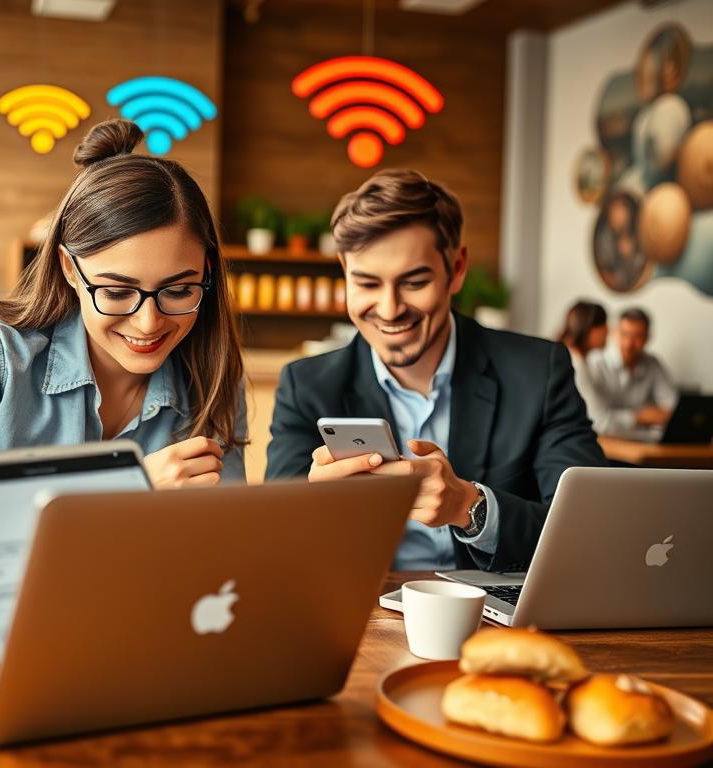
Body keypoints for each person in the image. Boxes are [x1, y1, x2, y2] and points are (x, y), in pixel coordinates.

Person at [0, 119, 247, 672]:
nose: (150, 321)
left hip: (141, 652)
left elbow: (220, 568)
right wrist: (118, 497)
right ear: (68, 268)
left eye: (179, 290)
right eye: (117, 291)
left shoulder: (215, 372)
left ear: (205, 274)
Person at [265, 169, 606, 573]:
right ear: (344, 271)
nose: (389, 309)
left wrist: (469, 506)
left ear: (457, 268)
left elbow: (590, 532)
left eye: (414, 281)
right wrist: (311, 509)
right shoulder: (306, 387)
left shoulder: (539, 373)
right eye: (368, 284)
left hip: (496, 618)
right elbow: (277, 546)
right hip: (365, 619)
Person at [585, 307, 678, 435]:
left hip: (638, 443)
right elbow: (598, 421)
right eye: (624, 334)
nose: (629, 344)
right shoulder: (595, 363)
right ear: (614, 333)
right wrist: (640, 417)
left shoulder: (652, 364)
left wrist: (620, 419)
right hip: (602, 442)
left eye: (637, 336)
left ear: (648, 337)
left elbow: (673, 410)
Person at [557, 300, 610, 430]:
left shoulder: (568, 356)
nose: (608, 331)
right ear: (591, 330)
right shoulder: (575, 364)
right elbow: (599, 420)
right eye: (605, 325)